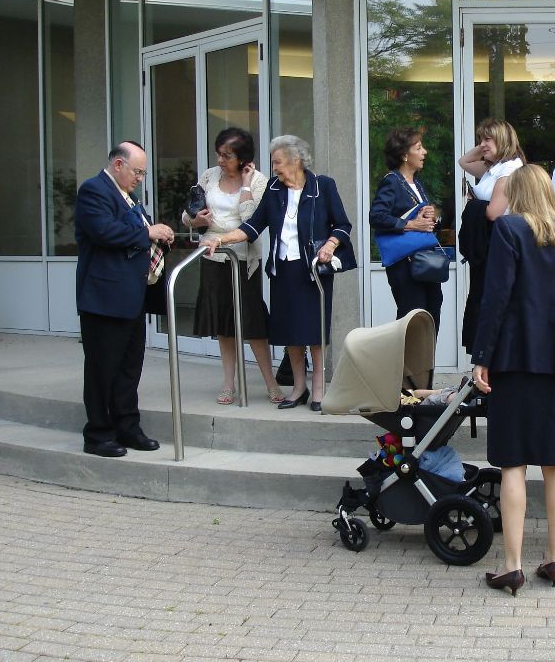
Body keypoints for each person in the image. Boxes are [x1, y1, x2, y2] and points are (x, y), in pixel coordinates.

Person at [471, 164, 555, 595]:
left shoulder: (509, 230)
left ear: (517, 194)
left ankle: (512, 566)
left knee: (512, 462)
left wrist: (481, 357)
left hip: (515, 361)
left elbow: (495, 298)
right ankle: (554, 558)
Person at [203, 135, 354, 413]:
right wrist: (221, 239)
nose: (273, 168)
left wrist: (331, 245)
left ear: (296, 160)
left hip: (313, 269)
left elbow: (343, 225)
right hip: (283, 268)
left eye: (277, 162)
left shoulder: (323, 186)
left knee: (314, 330)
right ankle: (298, 387)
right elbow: (253, 226)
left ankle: (318, 387)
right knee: (289, 330)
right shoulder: (274, 188)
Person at [75, 141, 174, 457]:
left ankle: (128, 427)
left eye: (143, 173)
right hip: (104, 299)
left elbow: (137, 232)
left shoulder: (127, 196)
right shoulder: (94, 190)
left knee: (129, 368)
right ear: (118, 164)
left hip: (132, 297)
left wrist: (159, 234)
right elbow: (104, 231)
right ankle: (98, 434)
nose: (140, 179)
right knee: (102, 370)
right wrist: (148, 233)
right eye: (137, 172)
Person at [182, 128, 280, 406]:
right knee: (223, 323)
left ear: (242, 157)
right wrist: (197, 221)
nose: (221, 160)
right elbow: (188, 214)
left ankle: (270, 381)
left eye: (227, 156)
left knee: (252, 321)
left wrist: (246, 185)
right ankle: (228, 383)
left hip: (244, 259)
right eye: (219, 154)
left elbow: (253, 222)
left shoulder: (259, 181)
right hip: (212, 256)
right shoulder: (209, 176)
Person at [457, 118, 525, 351]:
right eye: (480, 139)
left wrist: (472, 203)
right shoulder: (493, 168)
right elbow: (463, 161)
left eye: (488, 139)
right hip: (488, 245)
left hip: (498, 246)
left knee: (490, 300)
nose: (482, 144)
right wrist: (485, 147)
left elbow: (494, 212)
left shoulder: (509, 170)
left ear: (503, 140)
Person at [369, 128, 442, 331]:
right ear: (404, 155)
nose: (424, 152)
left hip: (425, 261)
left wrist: (430, 217)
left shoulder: (416, 183)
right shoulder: (391, 181)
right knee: (413, 317)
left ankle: (428, 354)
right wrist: (411, 224)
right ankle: (408, 354)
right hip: (405, 264)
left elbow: (421, 220)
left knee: (432, 313)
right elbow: (376, 216)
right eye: (418, 148)